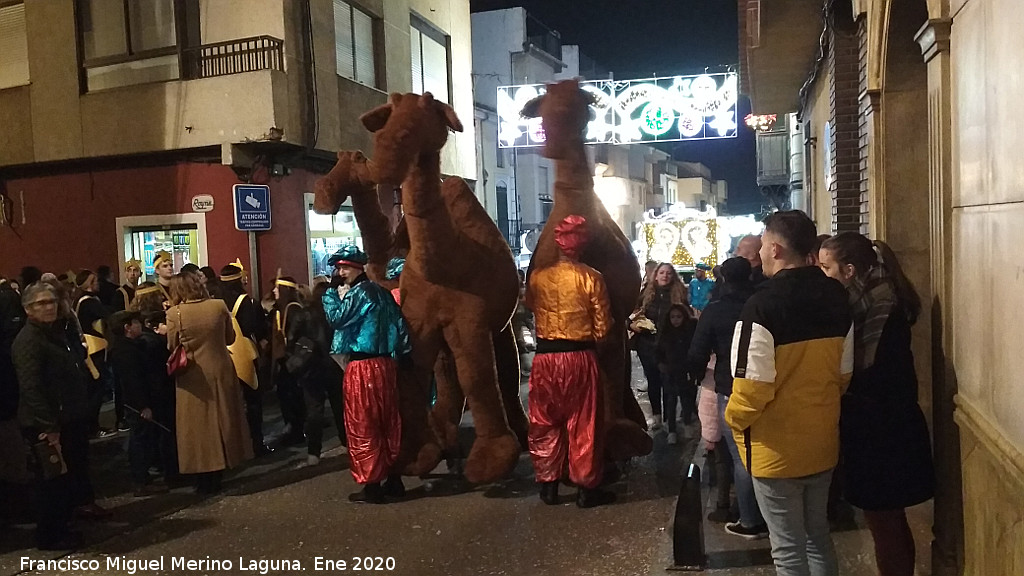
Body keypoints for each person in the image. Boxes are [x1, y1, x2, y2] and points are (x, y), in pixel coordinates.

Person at [725, 211, 853, 576]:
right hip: (822, 440)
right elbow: (844, 373)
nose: (761, 252)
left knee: (787, 550)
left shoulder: (761, 307)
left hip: (775, 449)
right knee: (818, 537)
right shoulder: (836, 297)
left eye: (764, 245)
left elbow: (752, 388)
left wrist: (733, 420)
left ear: (777, 249)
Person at [819, 232, 935, 576]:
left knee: (885, 522)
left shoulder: (879, 308)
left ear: (850, 270)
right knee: (889, 521)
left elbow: (879, 374)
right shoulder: (873, 299)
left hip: (882, 432)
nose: (823, 275)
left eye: (827, 267)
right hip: (885, 427)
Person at [525, 215, 616, 508]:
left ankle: (548, 485)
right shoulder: (592, 277)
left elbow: (530, 306)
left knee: (544, 421)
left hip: (544, 359)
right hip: (580, 357)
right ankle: (586, 488)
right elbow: (603, 328)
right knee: (583, 423)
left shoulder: (537, 276)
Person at [14, 282, 110, 550]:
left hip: (69, 417)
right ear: (27, 309)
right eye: (41, 303)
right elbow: (31, 386)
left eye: (51, 301)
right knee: (51, 482)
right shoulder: (29, 340)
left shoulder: (53, 333)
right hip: (48, 423)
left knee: (67, 478)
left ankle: (66, 524)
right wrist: (48, 426)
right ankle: (51, 535)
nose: (48, 307)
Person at [687, 256, 768, 537]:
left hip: (729, 387)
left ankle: (750, 519)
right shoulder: (762, 303)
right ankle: (771, 512)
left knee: (741, 456)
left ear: (723, 278)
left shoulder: (716, 310)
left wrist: (695, 377)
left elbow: (697, 351)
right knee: (765, 449)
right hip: (765, 384)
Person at [323, 246, 409, 504]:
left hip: (362, 367)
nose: (340, 272)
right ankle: (394, 478)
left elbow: (335, 318)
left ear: (356, 268)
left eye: (343, 268)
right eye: (338, 268)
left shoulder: (359, 294)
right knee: (388, 422)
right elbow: (401, 329)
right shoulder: (382, 293)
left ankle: (372, 485)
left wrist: (329, 292)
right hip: (387, 365)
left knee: (363, 424)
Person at [167, 273, 252, 495]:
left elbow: (172, 345)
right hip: (221, 367)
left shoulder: (175, 314)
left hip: (192, 374)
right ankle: (226, 463)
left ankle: (203, 473)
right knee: (225, 417)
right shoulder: (218, 306)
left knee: (197, 426)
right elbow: (230, 338)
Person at [106, 311, 170, 497]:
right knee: (140, 441)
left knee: (144, 439)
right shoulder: (125, 351)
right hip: (138, 406)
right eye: (136, 322)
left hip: (141, 402)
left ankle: (144, 478)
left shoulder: (131, 346)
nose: (139, 325)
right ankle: (140, 481)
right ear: (127, 327)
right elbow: (132, 382)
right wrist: (143, 406)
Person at [290, 281, 346, 467]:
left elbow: (291, 340)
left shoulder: (304, 314)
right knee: (340, 408)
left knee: (314, 411)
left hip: (311, 368)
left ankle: (314, 453)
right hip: (334, 366)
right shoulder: (336, 314)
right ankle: (349, 445)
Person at [219, 261, 270, 456]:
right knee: (253, 401)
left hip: (223, 353)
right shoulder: (248, 303)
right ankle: (256, 444)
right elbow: (256, 328)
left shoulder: (215, 301)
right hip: (245, 354)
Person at [630, 262, 687, 430]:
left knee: (668, 382)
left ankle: (670, 420)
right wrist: (633, 325)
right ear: (656, 275)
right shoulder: (646, 294)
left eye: (668, 273)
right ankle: (657, 415)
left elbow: (686, 318)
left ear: (673, 276)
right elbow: (633, 315)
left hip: (669, 346)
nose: (665, 276)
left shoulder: (679, 294)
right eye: (662, 272)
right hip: (647, 345)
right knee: (653, 381)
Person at [73, 270, 121, 435]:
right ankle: (92, 427)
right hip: (95, 348)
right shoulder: (89, 302)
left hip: (88, 347)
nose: (98, 283)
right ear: (89, 283)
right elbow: (108, 314)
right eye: (95, 281)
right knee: (96, 387)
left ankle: (90, 426)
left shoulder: (78, 300)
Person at [271, 276, 307, 446]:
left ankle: (296, 430)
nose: (274, 291)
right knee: (285, 394)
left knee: (293, 395)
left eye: (277, 288)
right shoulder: (281, 309)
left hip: (291, 359)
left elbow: (294, 334)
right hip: (285, 359)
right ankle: (292, 426)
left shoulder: (293, 309)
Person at [655, 304, 697, 445]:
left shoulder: (689, 333)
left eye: (679, 317)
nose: (675, 320)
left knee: (686, 400)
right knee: (671, 401)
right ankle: (672, 429)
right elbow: (658, 351)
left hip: (684, 371)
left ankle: (686, 424)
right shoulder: (665, 334)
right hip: (670, 372)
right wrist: (661, 365)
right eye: (673, 317)